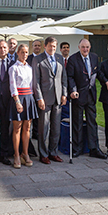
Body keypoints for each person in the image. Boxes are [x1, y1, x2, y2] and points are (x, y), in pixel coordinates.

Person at [66, 39, 106, 159]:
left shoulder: (94, 57)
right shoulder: (73, 59)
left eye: (87, 47)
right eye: (83, 47)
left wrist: (106, 82)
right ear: (79, 47)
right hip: (78, 95)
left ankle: (94, 148)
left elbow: (98, 72)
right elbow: (70, 77)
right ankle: (77, 149)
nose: (85, 49)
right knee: (77, 123)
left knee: (92, 123)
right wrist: (73, 90)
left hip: (91, 95)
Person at [32, 36, 67, 164]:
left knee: (56, 128)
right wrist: (39, 98)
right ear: (45, 46)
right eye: (50, 46)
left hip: (58, 98)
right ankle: (43, 154)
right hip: (45, 100)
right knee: (43, 129)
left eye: (54, 46)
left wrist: (64, 94)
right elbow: (35, 81)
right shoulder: (38, 59)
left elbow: (64, 78)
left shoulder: (59, 58)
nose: (52, 48)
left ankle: (53, 152)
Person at [9, 43, 39, 168]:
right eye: (22, 52)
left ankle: (25, 153)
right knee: (17, 128)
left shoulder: (30, 68)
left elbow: (32, 84)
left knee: (27, 127)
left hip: (29, 97)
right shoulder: (13, 68)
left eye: (26, 52)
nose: (25, 54)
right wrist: (17, 101)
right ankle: (16, 154)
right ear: (17, 53)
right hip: (18, 98)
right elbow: (12, 85)